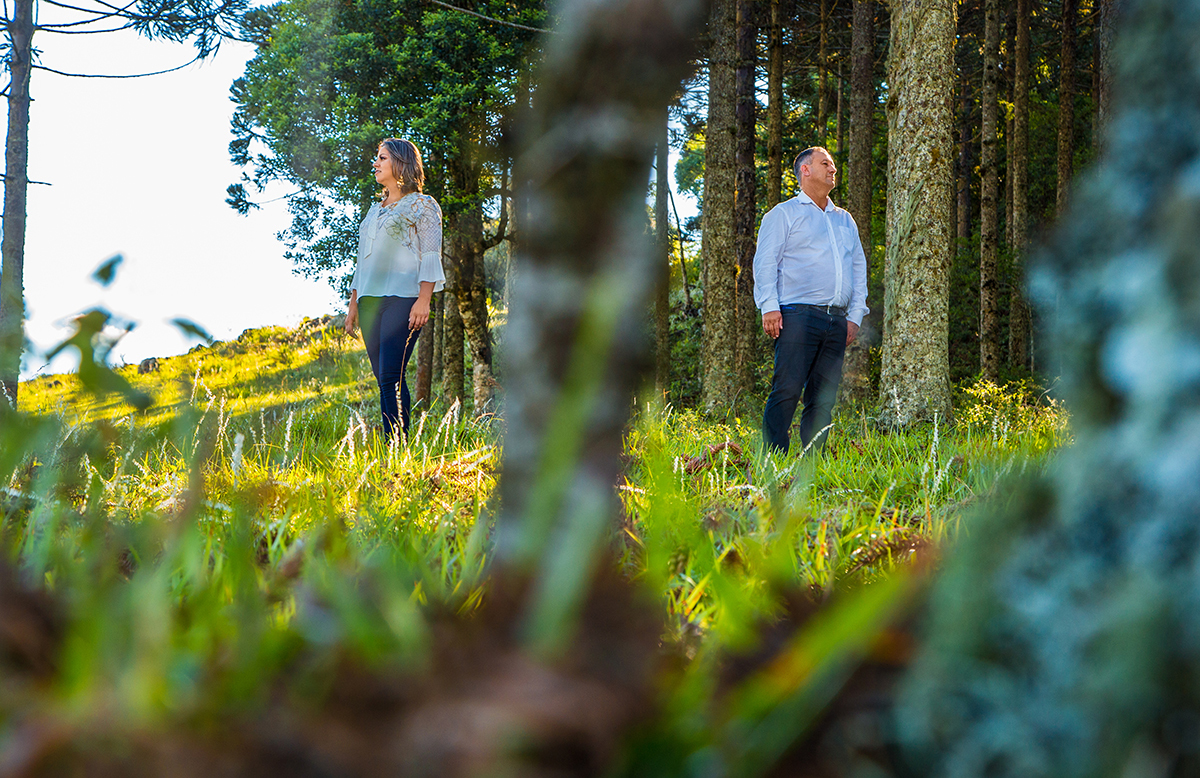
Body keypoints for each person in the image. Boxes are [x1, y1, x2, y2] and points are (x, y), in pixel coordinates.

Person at [753, 147, 868, 454]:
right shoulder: (783, 214)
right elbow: (765, 263)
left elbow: (858, 268)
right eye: (825, 164)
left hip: (836, 320)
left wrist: (855, 315)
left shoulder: (845, 220)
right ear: (805, 170)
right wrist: (770, 307)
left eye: (832, 165)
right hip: (795, 316)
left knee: (823, 397)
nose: (833, 169)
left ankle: (813, 461)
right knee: (787, 389)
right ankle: (774, 459)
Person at [344, 138, 444, 439]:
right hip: (369, 300)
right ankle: (394, 445)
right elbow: (363, 261)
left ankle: (397, 447)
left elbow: (430, 253)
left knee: (391, 376)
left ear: (400, 163)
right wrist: (352, 307)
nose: (375, 163)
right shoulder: (374, 211)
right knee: (384, 378)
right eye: (377, 157)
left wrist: (424, 299)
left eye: (382, 158)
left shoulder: (423, 205)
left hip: (404, 298)